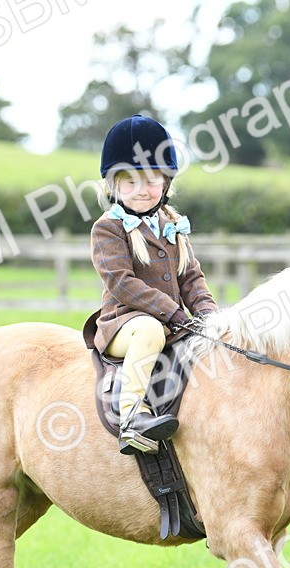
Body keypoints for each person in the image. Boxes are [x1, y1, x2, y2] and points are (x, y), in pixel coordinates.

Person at [86, 114, 219, 455]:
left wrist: (210, 316)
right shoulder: (108, 228)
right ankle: (132, 417)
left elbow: (191, 277)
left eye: (150, 180)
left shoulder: (172, 224)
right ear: (113, 186)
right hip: (124, 326)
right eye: (130, 182)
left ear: (165, 183)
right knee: (149, 330)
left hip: (172, 324)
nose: (142, 190)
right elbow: (121, 283)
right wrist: (173, 313)